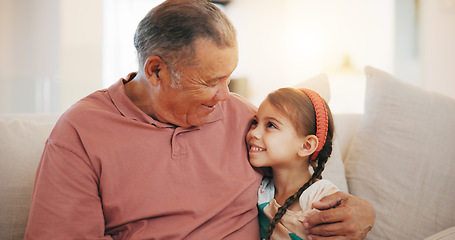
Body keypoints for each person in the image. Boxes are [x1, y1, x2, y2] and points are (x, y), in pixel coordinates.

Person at [25, 0, 375, 239]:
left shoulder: (245, 119)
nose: (225, 95)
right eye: (210, 81)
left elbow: (299, 173)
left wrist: (362, 213)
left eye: (229, 77)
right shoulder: (81, 133)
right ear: (156, 71)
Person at [247, 87, 337, 240]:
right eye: (255, 122)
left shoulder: (322, 198)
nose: (253, 133)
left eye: (271, 125)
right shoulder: (261, 189)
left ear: (306, 146)